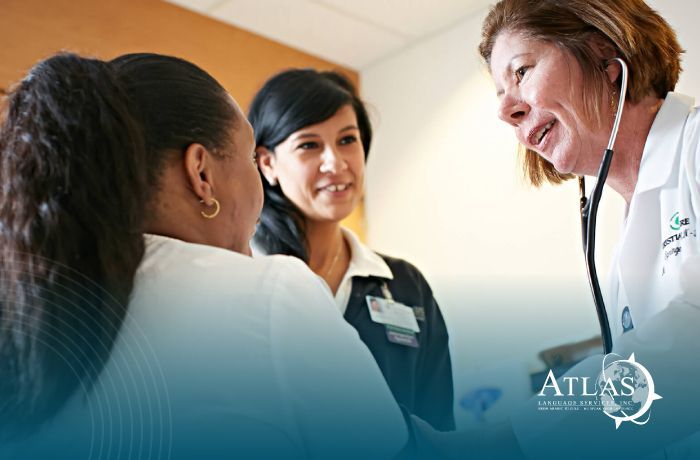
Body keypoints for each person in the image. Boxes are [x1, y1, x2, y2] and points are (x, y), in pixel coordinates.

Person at [0, 53, 410, 459]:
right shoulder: (271, 293)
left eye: (347, 140)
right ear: (201, 172)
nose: (333, 163)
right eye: (251, 156)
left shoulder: (32, 311)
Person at [451, 0, 700, 457]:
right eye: (500, 92)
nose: (505, 109)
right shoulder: (630, 231)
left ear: (603, 55)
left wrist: (513, 438)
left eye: (521, 71)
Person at [249, 69, 455, 431]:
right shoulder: (244, 276)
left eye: (347, 140)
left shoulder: (405, 284)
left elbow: (437, 424)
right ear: (268, 163)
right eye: (309, 145)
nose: (336, 162)